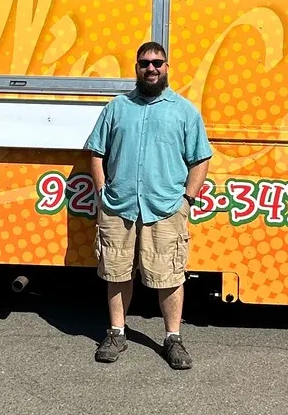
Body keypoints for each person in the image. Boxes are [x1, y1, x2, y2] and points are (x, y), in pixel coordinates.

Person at [83, 41, 213, 369]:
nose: (151, 68)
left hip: (165, 208)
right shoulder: (117, 108)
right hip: (119, 206)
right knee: (116, 272)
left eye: (157, 62)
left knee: (170, 275)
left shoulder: (184, 111)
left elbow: (200, 159)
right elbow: (96, 152)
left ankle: (173, 339)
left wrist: (187, 199)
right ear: (137, 68)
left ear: (166, 67)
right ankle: (117, 333)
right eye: (145, 63)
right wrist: (101, 192)